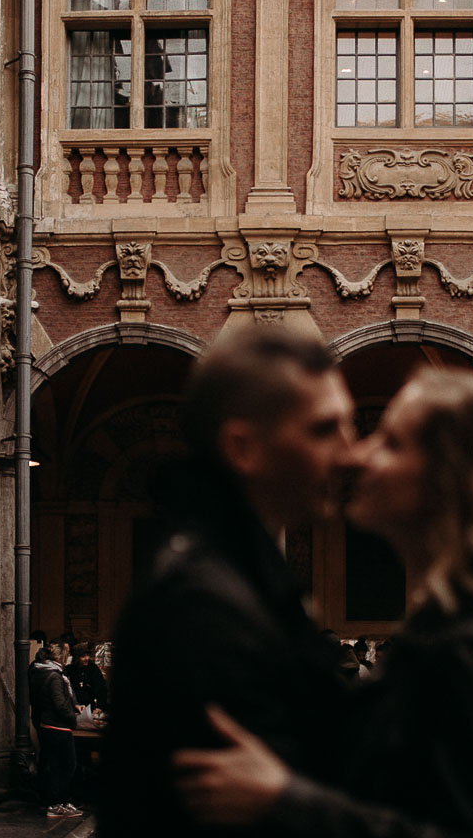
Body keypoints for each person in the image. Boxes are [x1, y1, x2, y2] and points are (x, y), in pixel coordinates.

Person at [171, 368, 473, 838]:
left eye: (390, 443)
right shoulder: (449, 632)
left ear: (450, 481)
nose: (356, 456)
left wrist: (282, 798)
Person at [99, 326, 358, 837]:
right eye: (324, 430)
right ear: (243, 447)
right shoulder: (205, 605)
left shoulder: (237, 574)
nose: (350, 453)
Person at [30, 636, 84, 819]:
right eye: (67, 654)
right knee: (67, 765)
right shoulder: (54, 676)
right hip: (57, 725)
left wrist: (74, 705)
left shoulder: (43, 672)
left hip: (48, 724)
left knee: (55, 764)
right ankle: (57, 803)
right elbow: (59, 703)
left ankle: (57, 801)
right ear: (61, 656)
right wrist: (73, 717)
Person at [68, 642, 107, 711]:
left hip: (90, 707)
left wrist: (100, 706)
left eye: (88, 655)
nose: (87, 658)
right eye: (83, 656)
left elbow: (101, 688)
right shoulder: (69, 670)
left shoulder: (93, 668)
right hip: (73, 706)